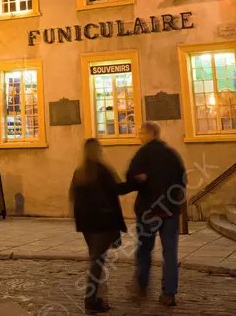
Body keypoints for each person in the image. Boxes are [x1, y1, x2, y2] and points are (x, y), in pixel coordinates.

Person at [70, 138, 137, 314]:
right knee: (97, 263)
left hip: (87, 225)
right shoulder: (102, 171)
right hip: (102, 223)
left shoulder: (80, 172)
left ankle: (98, 296)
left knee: (96, 259)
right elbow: (118, 189)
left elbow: (74, 198)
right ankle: (91, 299)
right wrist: (137, 182)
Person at [125, 121, 186, 307]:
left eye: (141, 132)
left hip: (149, 211)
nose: (139, 136)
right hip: (169, 211)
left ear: (151, 133)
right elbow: (182, 181)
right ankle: (169, 292)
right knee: (170, 253)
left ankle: (142, 285)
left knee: (144, 250)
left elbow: (131, 179)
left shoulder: (143, 154)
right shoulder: (172, 154)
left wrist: (138, 182)